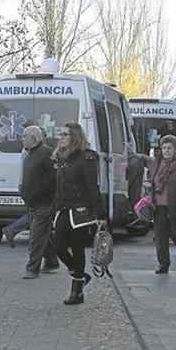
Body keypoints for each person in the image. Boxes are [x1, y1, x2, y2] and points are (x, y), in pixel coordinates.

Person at [52, 122, 105, 305]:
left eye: (64, 134)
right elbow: (58, 187)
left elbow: (92, 186)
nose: (61, 137)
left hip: (81, 209)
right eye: (60, 134)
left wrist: (101, 214)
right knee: (58, 246)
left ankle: (77, 292)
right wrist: (53, 209)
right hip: (65, 208)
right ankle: (80, 275)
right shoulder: (61, 158)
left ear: (74, 136)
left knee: (77, 248)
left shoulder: (85, 158)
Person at [145, 135, 176, 273]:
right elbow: (152, 179)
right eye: (164, 148)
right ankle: (163, 264)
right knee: (160, 237)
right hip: (158, 206)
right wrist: (149, 185)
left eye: (169, 148)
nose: (166, 151)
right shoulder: (157, 163)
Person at [19, 126, 59, 279]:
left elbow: (54, 177)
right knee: (42, 234)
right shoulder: (29, 154)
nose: (22, 139)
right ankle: (52, 261)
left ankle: (32, 268)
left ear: (34, 138)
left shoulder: (46, 153)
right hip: (31, 202)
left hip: (44, 203)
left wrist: (41, 191)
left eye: (24, 136)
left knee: (36, 237)